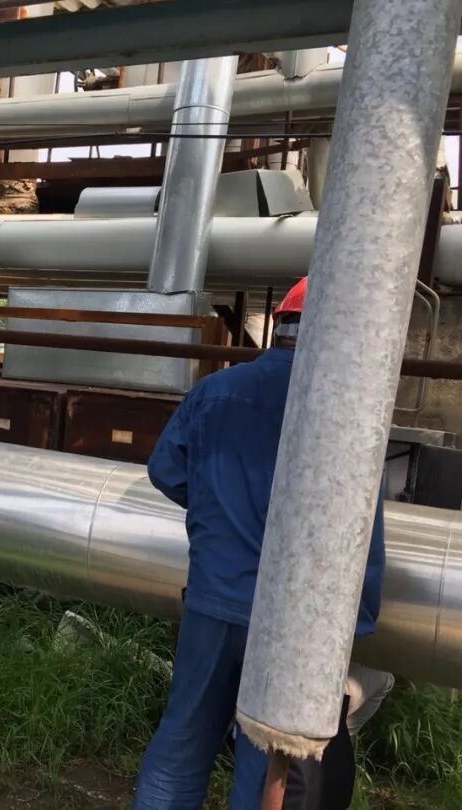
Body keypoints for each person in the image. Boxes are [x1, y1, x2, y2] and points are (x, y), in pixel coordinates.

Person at [132, 277, 389, 810]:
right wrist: (356, 623)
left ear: (279, 327)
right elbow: (362, 533)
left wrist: (219, 511)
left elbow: (165, 470)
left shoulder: (216, 391)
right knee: (263, 766)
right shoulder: (347, 412)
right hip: (292, 623)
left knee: (181, 744)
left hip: (213, 598)